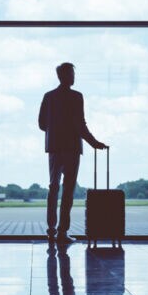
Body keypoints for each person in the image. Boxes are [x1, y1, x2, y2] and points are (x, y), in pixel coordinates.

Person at [37, 62, 107, 245]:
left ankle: (51, 231)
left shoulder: (49, 96)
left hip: (54, 148)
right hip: (72, 148)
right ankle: (62, 232)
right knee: (68, 190)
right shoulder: (76, 97)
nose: (74, 77)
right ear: (66, 76)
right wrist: (93, 143)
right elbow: (80, 125)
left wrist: (55, 130)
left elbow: (42, 124)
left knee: (53, 187)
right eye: (72, 74)